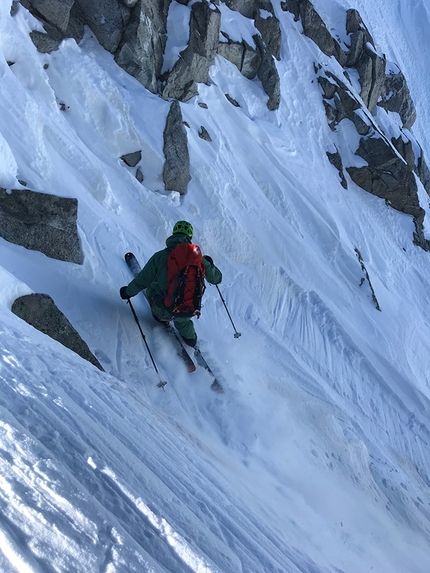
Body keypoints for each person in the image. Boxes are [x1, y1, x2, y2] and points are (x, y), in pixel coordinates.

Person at [120, 221, 222, 347]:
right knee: (183, 319)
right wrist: (209, 264)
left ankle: (161, 318)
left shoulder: (161, 256)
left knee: (153, 284)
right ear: (189, 237)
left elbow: (142, 280)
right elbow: (217, 278)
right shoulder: (197, 259)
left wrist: (127, 292)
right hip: (188, 310)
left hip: (163, 309)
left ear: (174, 233)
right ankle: (191, 339)